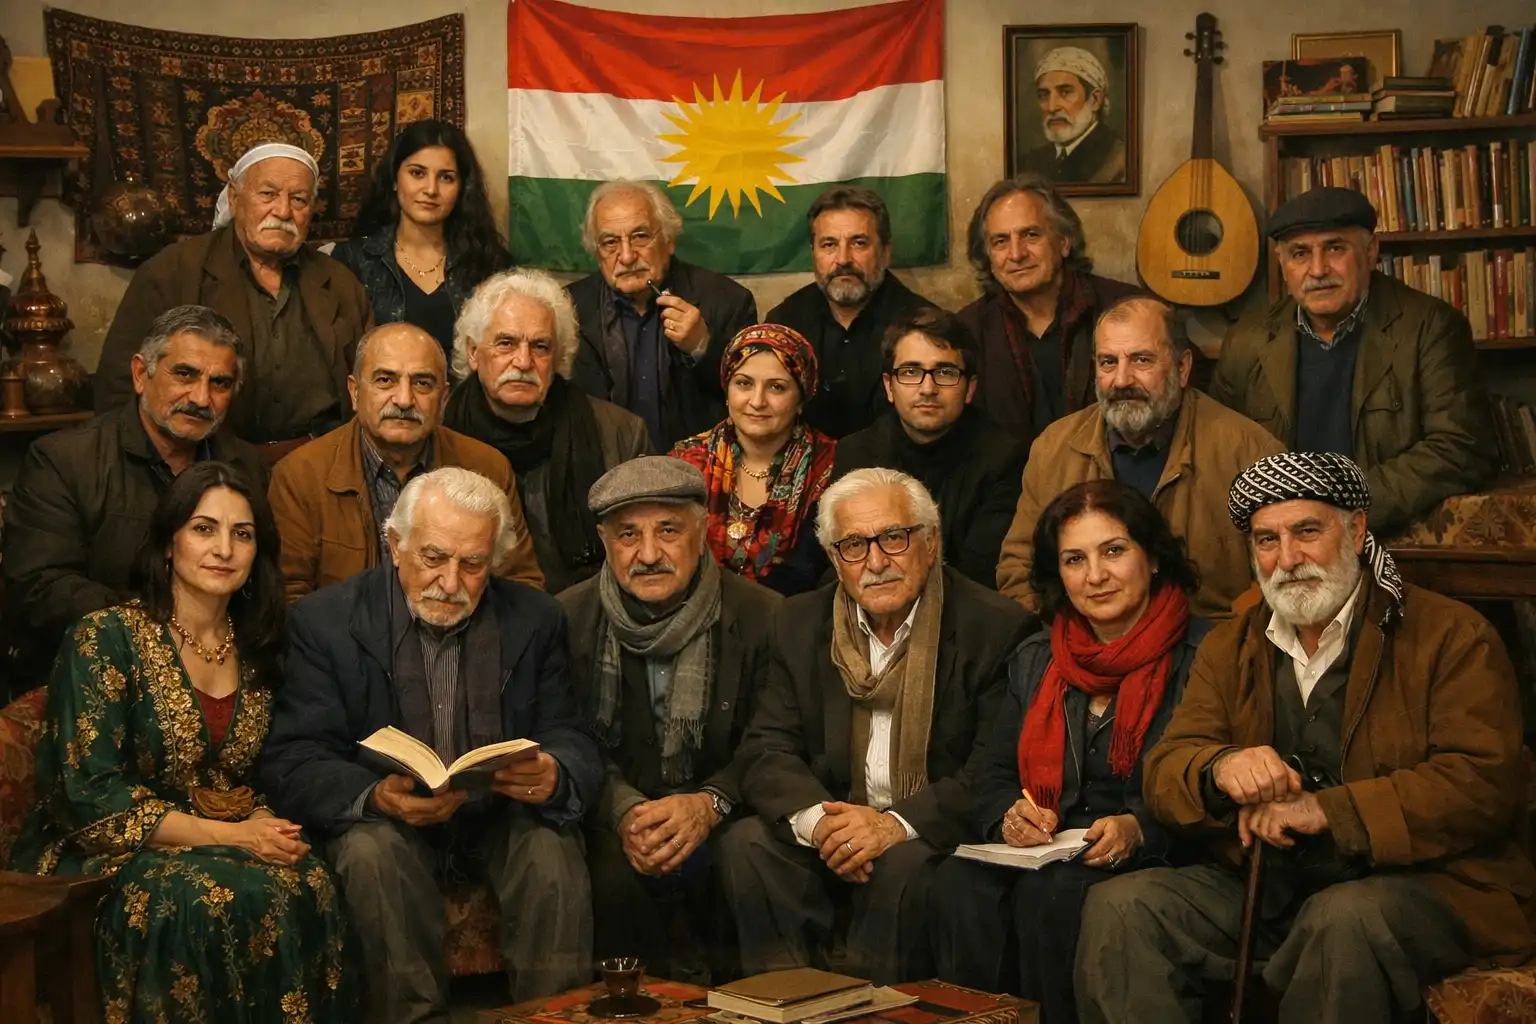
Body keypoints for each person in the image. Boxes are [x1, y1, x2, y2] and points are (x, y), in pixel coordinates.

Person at [1075, 452, 1536, 1024]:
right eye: (1267, 540)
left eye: (1307, 532)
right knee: (1123, 907)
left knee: (1343, 920)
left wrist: (1326, 811)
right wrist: (1219, 768)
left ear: (1357, 530)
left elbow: (1480, 783)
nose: (1288, 559)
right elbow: (1168, 766)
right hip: (1267, 885)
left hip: (1423, 886)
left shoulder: (1451, 636)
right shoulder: (1230, 645)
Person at [10, 461, 356, 1021]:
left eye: (242, 534)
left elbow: (265, 768)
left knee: (308, 877)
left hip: (229, 837)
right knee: (202, 898)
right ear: (168, 543)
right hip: (103, 851)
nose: (224, 549)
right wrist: (232, 835)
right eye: (203, 528)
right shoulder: (105, 637)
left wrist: (262, 824)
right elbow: (87, 794)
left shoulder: (261, 647)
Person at [259, 467, 602, 1020]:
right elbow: (295, 757)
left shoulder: (535, 618)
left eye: (473, 564)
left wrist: (556, 771)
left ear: (495, 561)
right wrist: (375, 796)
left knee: (551, 851)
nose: (450, 582)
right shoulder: (325, 622)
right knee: (371, 855)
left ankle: (553, 1016)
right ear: (395, 545)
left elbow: (570, 731)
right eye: (434, 557)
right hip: (388, 822)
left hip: (498, 814)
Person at [720, 468, 1034, 982]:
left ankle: (878, 1011)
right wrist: (825, 826)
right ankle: (789, 1001)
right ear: (833, 559)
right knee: (748, 843)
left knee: (904, 865)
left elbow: (989, 769)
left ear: (930, 544)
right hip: (836, 821)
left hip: (929, 830)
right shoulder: (797, 622)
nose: (876, 562)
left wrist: (891, 826)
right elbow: (767, 747)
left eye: (893, 537)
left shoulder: (993, 627)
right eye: (853, 545)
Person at [930, 480, 1208, 1024]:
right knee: (957, 884)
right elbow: (993, 776)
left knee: (1053, 895)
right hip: (1049, 850)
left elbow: (1207, 788)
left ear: (1153, 557)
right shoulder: (1037, 655)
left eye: (1113, 551)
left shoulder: (1203, 655)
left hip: (1157, 854)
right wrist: (1009, 817)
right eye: (1074, 559)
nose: (1095, 575)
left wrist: (1139, 829)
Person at [558, 456, 781, 980]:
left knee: (747, 857)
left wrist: (710, 803)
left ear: (702, 532)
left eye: (668, 531)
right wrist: (624, 810)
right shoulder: (567, 617)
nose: (648, 554)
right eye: (628, 535)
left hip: (726, 809)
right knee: (605, 874)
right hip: (616, 813)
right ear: (605, 541)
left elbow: (773, 739)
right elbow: (568, 736)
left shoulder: (765, 616)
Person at [3, 305, 265, 687]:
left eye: (220, 383)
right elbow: (40, 587)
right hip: (91, 676)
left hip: (216, 670)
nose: (201, 398)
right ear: (142, 374)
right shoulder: (64, 460)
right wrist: (161, 631)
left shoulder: (246, 467)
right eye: (185, 374)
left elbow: (262, 583)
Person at [1211, 187, 1497, 534]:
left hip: (1381, 534)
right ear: (1282, 264)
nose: (1318, 269)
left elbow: (1460, 448)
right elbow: (1218, 452)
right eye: (1300, 253)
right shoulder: (1246, 341)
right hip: (1278, 539)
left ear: (1371, 251)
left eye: (1335, 248)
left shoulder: (1431, 327)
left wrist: (1343, 509)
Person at [998, 296, 1284, 621]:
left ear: (1182, 368)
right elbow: (1018, 568)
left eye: (1141, 360)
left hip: (1208, 643)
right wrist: (1065, 636)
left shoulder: (1250, 452)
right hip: (1084, 638)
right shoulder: (1054, 448)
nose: (1122, 380)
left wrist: (1228, 644)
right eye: (1108, 362)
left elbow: (1283, 576)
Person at [95, 142, 373, 455]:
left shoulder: (339, 283)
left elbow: (371, 381)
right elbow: (118, 388)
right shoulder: (172, 272)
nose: (283, 211)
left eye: (298, 199)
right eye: (267, 194)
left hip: (318, 461)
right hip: (202, 461)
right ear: (234, 197)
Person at [267, 321, 543, 601]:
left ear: (443, 399)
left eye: (422, 383)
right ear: (355, 391)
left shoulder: (487, 468)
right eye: (385, 380)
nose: (404, 400)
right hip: (342, 629)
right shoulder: (300, 476)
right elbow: (289, 598)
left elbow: (522, 588)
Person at [444, 269, 651, 593]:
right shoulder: (439, 431)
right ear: (473, 352)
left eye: (540, 346)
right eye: (506, 343)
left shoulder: (620, 434)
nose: (523, 362)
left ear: (558, 358)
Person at [832, 307, 1027, 587]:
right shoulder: (855, 454)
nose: (927, 388)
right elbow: (840, 559)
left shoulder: (1004, 458)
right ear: (889, 386)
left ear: (970, 388)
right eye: (911, 372)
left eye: (945, 372)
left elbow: (979, 573)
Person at [567, 180, 758, 452]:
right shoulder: (569, 308)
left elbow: (755, 398)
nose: (627, 256)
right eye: (610, 242)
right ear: (597, 252)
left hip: (701, 467)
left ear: (669, 240)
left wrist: (702, 346)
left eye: (640, 236)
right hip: (604, 468)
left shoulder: (728, 301)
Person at [957, 175, 1142, 445]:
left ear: (1064, 242)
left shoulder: (1129, 309)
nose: (1016, 254)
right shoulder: (968, 330)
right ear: (988, 256)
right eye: (1000, 241)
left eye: (1031, 235)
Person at [669, 324, 837, 597]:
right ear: (726, 390)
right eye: (744, 383)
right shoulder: (685, 460)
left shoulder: (831, 467)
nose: (757, 401)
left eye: (776, 387)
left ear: (801, 399)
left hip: (790, 615)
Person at [331, 119, 512, 361]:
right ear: (395, 180)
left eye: (446, 177)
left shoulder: (491, 264)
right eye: (417, 173)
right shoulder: (353, 261)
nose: (431, 189)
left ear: (462, 188)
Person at [765, 186, 938, 439]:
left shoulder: (924, 325)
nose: (843, 259)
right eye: (829, 244)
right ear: (813, 254)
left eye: (859, 243)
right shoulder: (784, 323)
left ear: (886, 252)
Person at [1015, 47, 1127, 185]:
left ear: (1095, 100)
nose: (1052, 107)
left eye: (1065, 92)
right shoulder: (1030, 163)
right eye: (1043, 95)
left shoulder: (1119, 159)